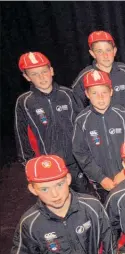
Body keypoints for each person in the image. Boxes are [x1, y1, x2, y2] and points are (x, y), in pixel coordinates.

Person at [9, 155, 115, 254]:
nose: (55, 194)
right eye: (45, 189)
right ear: (33, 189)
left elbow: (109, 244)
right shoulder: (30, 223)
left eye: (59, 184)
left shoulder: (92, 207)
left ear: (68, 179)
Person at [15, 52, 91, 193]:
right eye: (35, 74)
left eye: (44, 71)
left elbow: (83, 126)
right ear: (26, 77)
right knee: (57, 201)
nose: (42, 77)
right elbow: (22, 136)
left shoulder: (68, 95)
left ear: (52, 70)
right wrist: (28, 164)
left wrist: (86, 155)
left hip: (75, 162)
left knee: (82, 197)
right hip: (48, 165)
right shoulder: (25, 102)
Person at [72, 70, 125, 203]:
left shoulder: (124, 115)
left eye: (104, 92)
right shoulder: (82, 120)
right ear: (87, 94)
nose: (100, 97)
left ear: (111, 91)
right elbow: (80, 153)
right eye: (94, 93)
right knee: (110, 212)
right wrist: (101, 178)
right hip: (102, 182)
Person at [72, 30, 125, 111]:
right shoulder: (85, 76)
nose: (105, 55)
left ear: (114, 51)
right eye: (99, 51)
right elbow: (76, 104)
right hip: (98, 123)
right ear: (92, 54)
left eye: (108, 50)